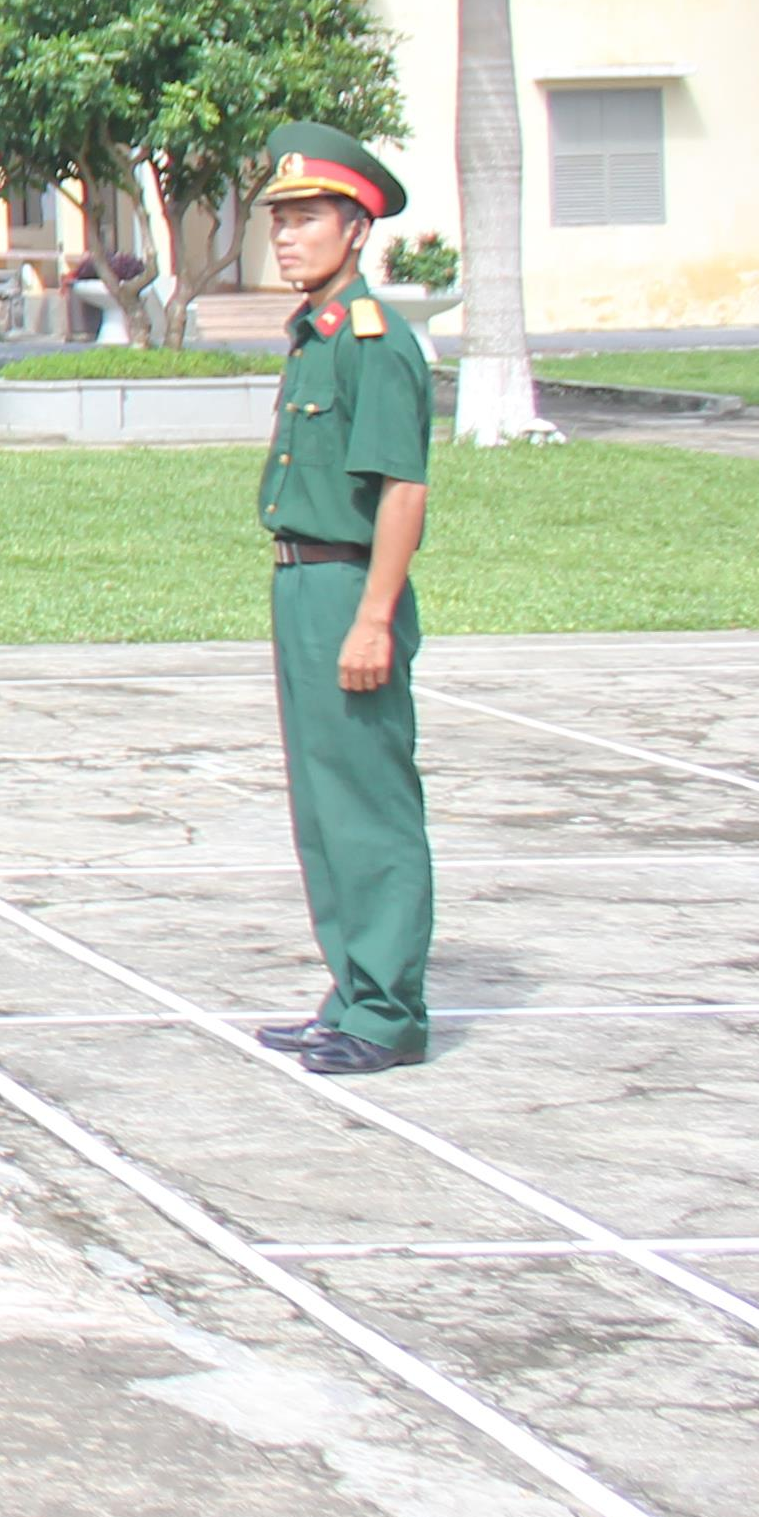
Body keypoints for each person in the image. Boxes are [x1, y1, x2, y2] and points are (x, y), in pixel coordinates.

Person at [249, 122, 438, 1080]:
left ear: (357, 230)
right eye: (279, 220)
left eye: (308, 219)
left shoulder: (374, 341)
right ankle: (354, 993)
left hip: (350, 586)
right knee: (323, 806)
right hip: (301, 580)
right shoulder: (315, 335)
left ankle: (390, 1013)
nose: (287, 237)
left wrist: (373, 618)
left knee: (367, 800)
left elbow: (403, 491)